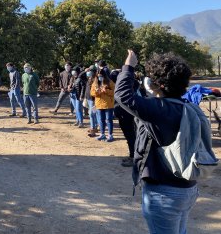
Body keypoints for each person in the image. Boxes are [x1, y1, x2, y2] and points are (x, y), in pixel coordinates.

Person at [115, 50, 203, 234]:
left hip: (164, 193)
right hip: (188, 188)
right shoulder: (189, 108)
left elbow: (123, 96)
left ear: (160, 84)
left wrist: (128, 66)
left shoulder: (158, 109)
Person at [91, 68, 115, 142]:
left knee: (109, 120)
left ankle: (110, 135)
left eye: (101, 76)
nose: (100, 77)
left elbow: (114, 92)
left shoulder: (110, 82)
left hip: (108, 104)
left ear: (104, 75)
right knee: (101, 120)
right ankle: (102, 134)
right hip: (99, 104)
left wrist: (106, 91)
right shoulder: (95, 83)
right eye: (98, 76)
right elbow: (92, 93)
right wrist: (96, 92)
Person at [85, 66, 98, 137]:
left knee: (92, 114)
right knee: (93, 114)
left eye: (89, 70)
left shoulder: (95, 79)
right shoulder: (90, 78)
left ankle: (93, 129)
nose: (88, 72)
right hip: (89, 98)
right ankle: (94, 127)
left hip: (93, 99)